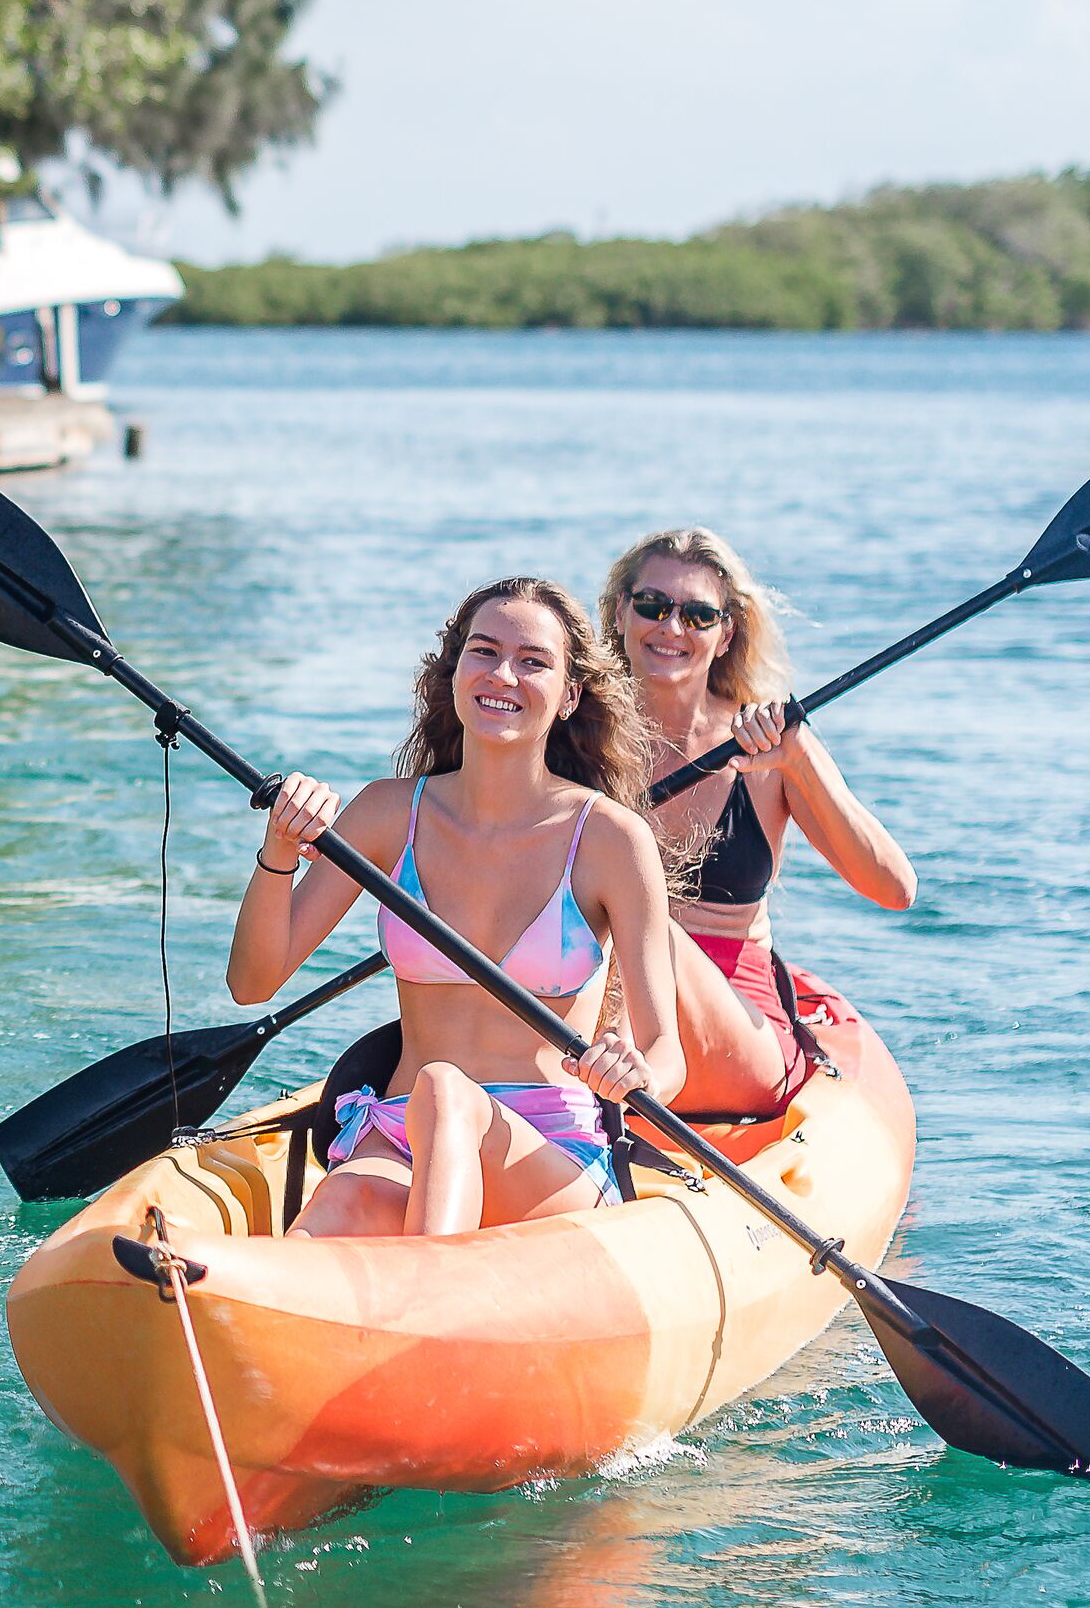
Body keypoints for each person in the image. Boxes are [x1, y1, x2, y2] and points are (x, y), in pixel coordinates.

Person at [228, 578, 687, 1237]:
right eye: (484, 651)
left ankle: (422, 1300)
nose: (504, 673)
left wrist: (637, 1070)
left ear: (570, 695)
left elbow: (666, 1049)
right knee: (344, 1202)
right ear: (453, 673)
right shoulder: (388, 813)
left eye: (533, 660)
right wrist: (278, 848)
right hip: (397, 1130)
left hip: (547, 1150)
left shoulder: (611, 839)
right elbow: (252, 983)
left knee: (448, 1091)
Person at [602, 528, 918, 1113]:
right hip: (601, 1007)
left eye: (697, 615)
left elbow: (895, 890)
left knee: (645, 920)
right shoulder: (575, 739)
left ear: (726, 635)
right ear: (620, 612)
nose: (671, 628)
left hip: (736, 1025)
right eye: (652, 605)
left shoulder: (770, 745)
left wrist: (799, 760)